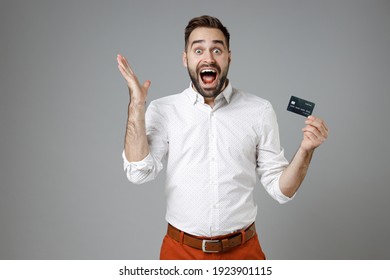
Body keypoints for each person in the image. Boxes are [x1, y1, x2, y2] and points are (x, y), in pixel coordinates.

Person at [117, 15, 328, 260]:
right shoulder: (163, 110)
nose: (208, 58)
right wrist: (136, 103)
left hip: (243, 252)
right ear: (186, 59)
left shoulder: (259, 110)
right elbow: (138, 172)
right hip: (181, 252)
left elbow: (282, 191)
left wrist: (306, 150)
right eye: (198, 50)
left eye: (217, 49)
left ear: (229, 56)